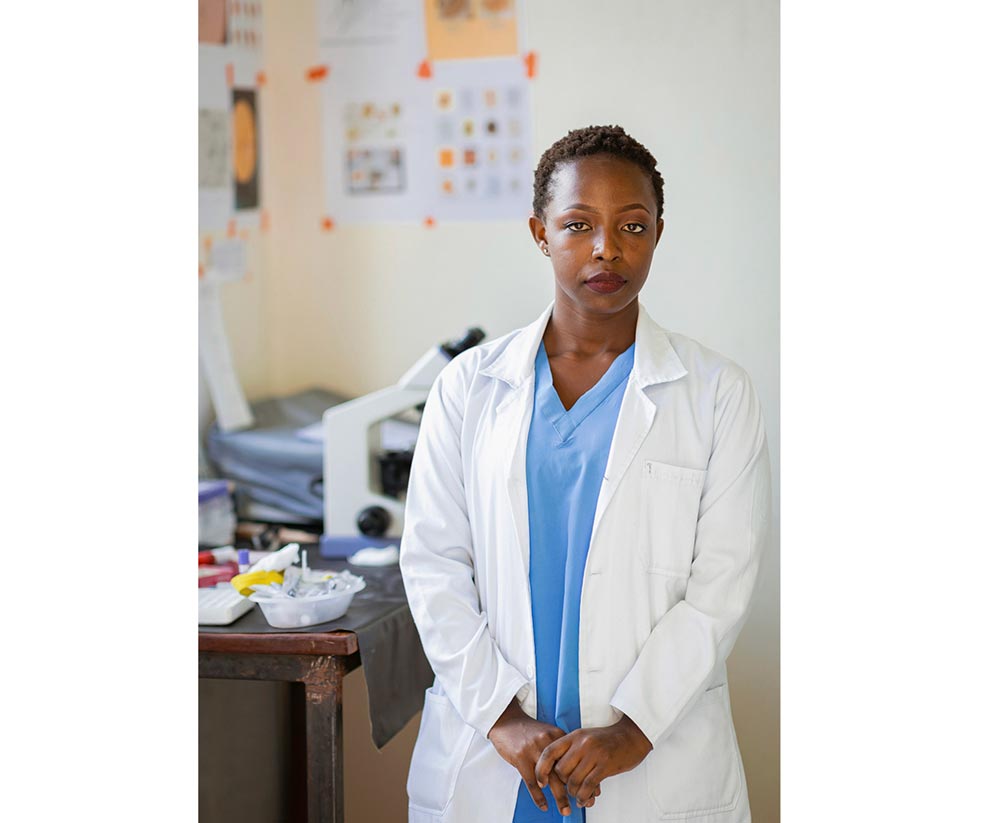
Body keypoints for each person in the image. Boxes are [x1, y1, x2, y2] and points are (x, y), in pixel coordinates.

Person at [399, 125, 771, 823]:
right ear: (540, 232)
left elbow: (721, 587)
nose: (607, 248)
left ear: (659, 232)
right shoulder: (470, 388)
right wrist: (502, 718)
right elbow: (434, 566)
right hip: (500, 758)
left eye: (633, 224)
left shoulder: (717, 392)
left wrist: (632, 729)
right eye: (578, 224)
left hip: (650, 762)